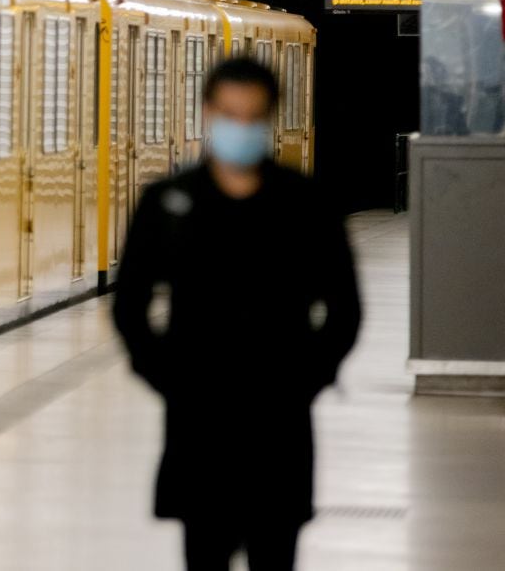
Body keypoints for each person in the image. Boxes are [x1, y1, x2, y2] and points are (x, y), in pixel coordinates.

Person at [112, 58, 361, 571]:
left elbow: (345, 309)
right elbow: (129, 306)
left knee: (276, 553)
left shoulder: (306, 205)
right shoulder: (169, 204)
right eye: (230, 114)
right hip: (198, 420)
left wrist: (307, 379)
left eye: (253, 117)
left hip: (280, 422)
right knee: (204, 551)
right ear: (208, 112)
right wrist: (166, 378)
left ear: (270, 119)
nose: (240, 128)